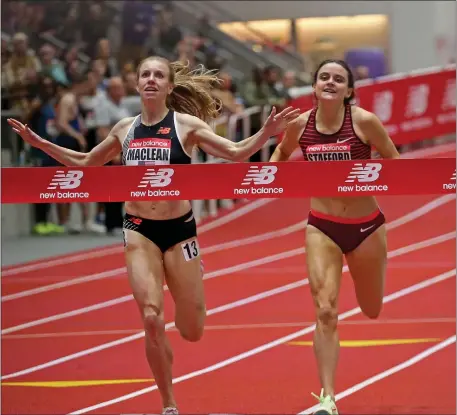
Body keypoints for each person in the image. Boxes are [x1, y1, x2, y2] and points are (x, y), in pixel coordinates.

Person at [8, 56, 300, 415]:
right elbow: (86, 163)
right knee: (150, 317)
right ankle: (169, 405)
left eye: (158, 75)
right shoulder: (124, 130)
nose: (150, 79)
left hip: (179, 231)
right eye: (144, 74)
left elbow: (238, 154)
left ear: (169, 86)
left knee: (192, 329)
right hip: (139, 230)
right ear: (136, 84)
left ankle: (193, 279)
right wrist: (40, 144)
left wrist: (266, 134)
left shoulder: (185, 125)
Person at [269, 59, 400, 415]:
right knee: (325, 311)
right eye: (324, 77)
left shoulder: (364, 122)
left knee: (371, 309)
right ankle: (328, 398)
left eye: (338, 79)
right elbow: (281, 152)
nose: (330, 82)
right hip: (321, 225)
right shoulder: (300, 125)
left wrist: (367, 176)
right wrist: (274, 175)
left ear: (348, 90)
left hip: (366, 227)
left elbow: (394, 161)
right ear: (314, 87)